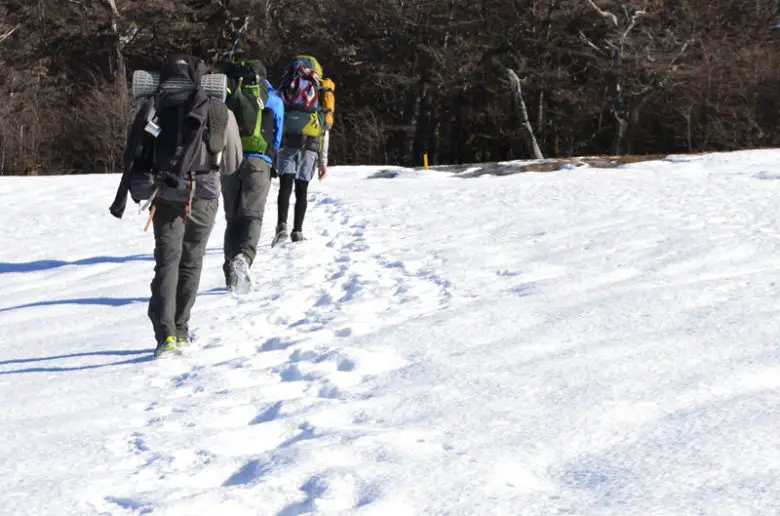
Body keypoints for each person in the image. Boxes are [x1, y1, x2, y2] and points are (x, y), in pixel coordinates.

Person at [118, 54, 236, 358]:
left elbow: (136, 151)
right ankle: (182, 329)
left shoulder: (154, 106)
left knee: (167, 262)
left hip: (166, 191)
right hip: (205, 193)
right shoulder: (217, 108)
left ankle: (165, 336)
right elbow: (232, 161)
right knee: (192, 260)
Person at [221, 60, 284, 292]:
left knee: (233, 218)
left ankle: (230, 272)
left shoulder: (230, 91)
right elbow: (277, 130)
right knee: (252, 217)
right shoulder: (271, 97)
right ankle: (244, 258)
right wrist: (271, 155)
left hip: (229, 158)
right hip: (259, 160)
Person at [273, 55, 332, 245]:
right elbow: (325, 128)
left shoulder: (286, 83)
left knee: (285, 185)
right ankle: (297, 230)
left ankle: (281, 226)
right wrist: (323, 162)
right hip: (311, 142)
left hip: (287, 140)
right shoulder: (320, 87)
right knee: (302, 189)